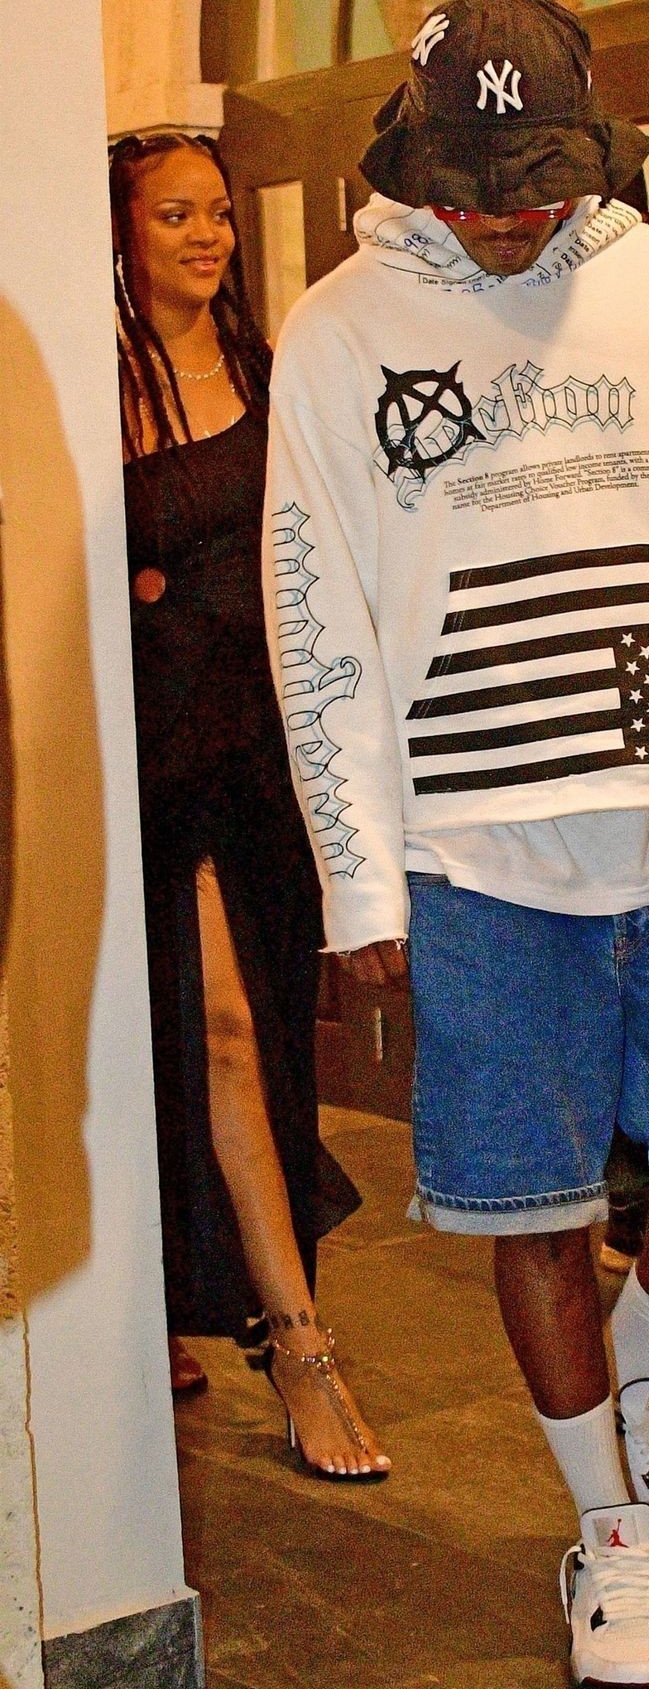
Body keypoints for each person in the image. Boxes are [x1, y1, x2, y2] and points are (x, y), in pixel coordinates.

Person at [263, 0, 649, 1689]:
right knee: (526, 1201)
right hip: (473, 849)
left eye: (538, 184)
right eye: (475, 190)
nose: (508, 219)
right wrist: (359, 876)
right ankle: (606, 1528)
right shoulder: (338, 331)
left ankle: (633, 1382)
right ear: (416, 164)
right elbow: (318, 619)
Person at [110, 132, 389, 1479]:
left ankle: (169, 1296)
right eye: (176, 214)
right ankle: (300, 1346)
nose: (208, 236)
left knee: (261, 1044)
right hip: (150, 763)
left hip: (271, 759)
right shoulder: (93, 389)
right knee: (211, 1032)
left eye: (218, 213)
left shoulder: (272, 374)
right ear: (121, 234)